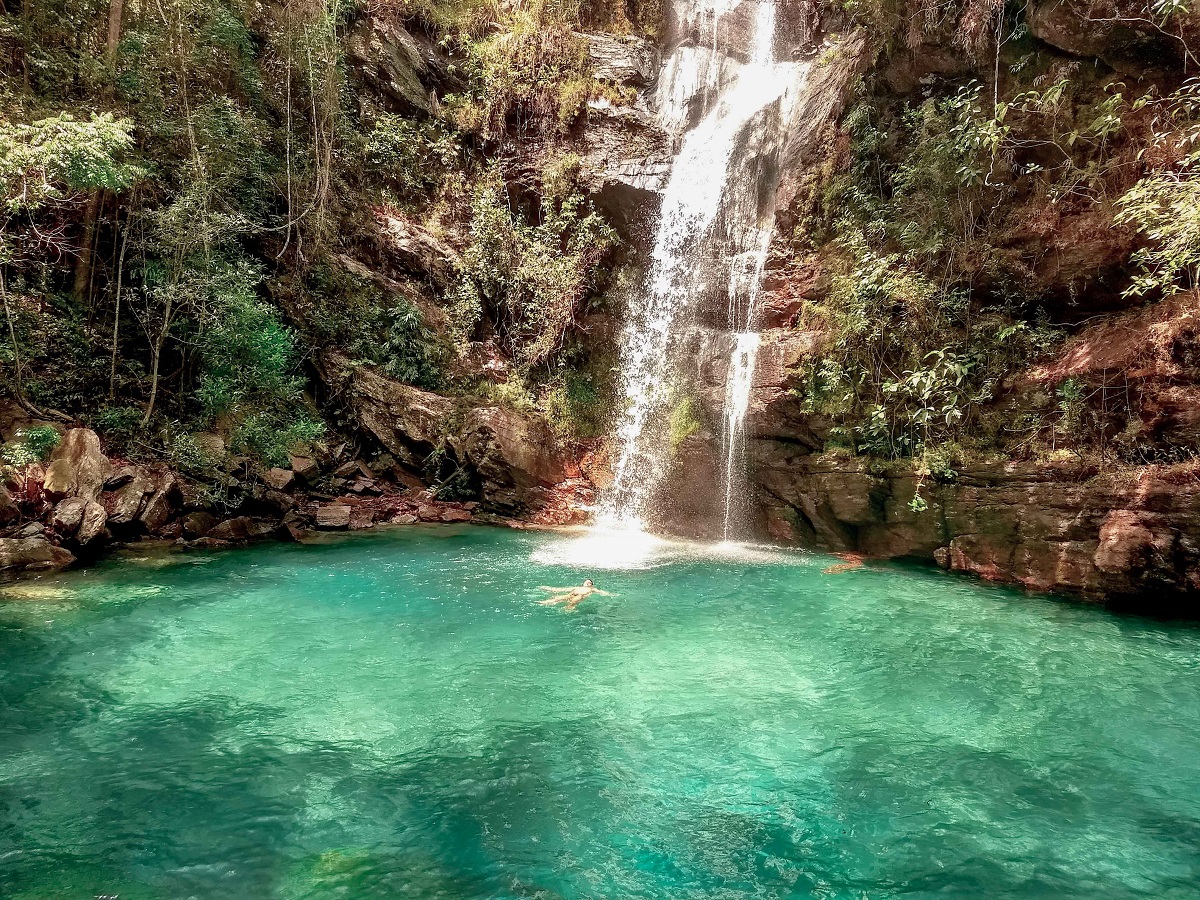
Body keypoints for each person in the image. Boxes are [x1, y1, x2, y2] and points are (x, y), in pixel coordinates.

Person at [537, 579, 610, 611]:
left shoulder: (592, 589)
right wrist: (549, 588)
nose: (587, 583)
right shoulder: (577, 587)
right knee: (557, 598)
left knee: (571, 604)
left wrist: (609, 594)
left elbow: (601, 592)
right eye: (586, 582)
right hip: (571, 594)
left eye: (589, 582)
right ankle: (543, 603)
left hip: (580, 596)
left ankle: (568, 609)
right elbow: (562, 589)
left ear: (591, 585)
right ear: (583, 583)